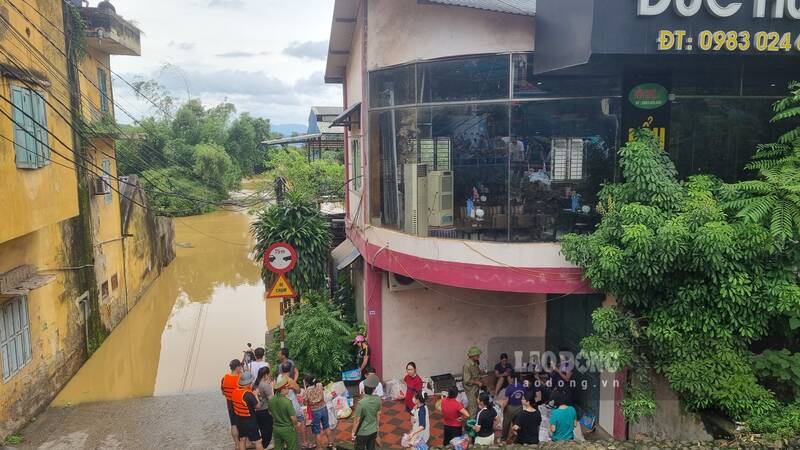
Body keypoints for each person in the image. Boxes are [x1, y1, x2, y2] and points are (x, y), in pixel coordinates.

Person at [233, 371, 265, 450]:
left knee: (242, 439)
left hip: (239, 420)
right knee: (258, 441)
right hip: (250, 421)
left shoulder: (235, 391)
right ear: (248, 382)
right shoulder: (248, 394)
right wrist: (256, 395)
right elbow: (258, 406)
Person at [352, 373, 383, 450]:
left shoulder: (361, 403)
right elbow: (378, 414)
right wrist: (377, 426)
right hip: (373, 430)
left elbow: (357, 420)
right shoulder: (378, 399)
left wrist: (353, 432)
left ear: (364, 389)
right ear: (374, 389)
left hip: (362, 432)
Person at [270, 375, 300, 450]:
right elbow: (293, 418)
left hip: (276, 428)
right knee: (292, 447)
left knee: (278, 447)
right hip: (287, 429)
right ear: (283, 389)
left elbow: (270, 413)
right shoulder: (287, 402)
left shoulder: (271, 400)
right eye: (287, 388)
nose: (289, 390)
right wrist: (296, 424)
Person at [304, 375, 334, 450]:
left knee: (317, 431)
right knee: (326, 426)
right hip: (323, 408)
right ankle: (330, 443)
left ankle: (319, 448)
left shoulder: (307, 390)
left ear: (307, 382)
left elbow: (305, 402)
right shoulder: (320, 385)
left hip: (315, 411)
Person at [222, 359, 243, 448]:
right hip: (239, 404)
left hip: (229, 404)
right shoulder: (239, 379)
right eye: (240, 366)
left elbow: (223, 392)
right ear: (237, 367)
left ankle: (236, 444)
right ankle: (244, 443)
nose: (241, 368)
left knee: (233, 424)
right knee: (242, 424)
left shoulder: (225, 378)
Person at [254, 366, 274, 450]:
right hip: (265, 410)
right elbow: (271, 399)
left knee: (262, 430)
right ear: (265, 375)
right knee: (268, 430)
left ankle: (262, 445)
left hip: (258, 411)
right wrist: (271, 387)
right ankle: (264, 446)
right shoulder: (265, 385)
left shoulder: (256, 384)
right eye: (268, 374)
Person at [462, 346, 483, 416]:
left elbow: (476, 371)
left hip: (475, 387)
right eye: (477, 355)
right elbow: (467, 380)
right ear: (472, 356)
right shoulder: (467, 365)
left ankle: (475, 416)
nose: (479, 357)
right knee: (473, 407)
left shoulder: (475, 362)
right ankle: (472, 420)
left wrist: (480, 371)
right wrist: (477, 382)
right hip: (470, 388)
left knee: (475, 403)